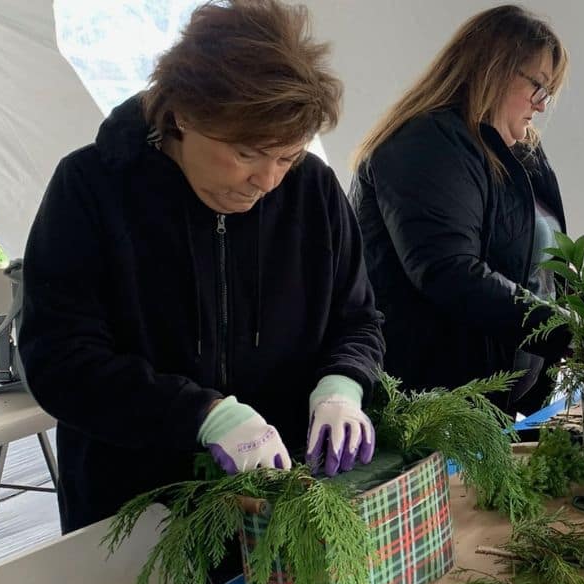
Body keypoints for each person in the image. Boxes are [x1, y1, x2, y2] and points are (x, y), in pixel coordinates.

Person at [19, 0, 384, 535]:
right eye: (247, 152)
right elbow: (59, 361)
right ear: (184, 114)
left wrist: (344, 382)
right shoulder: (91, 189)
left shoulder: (314, 191)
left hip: (281, 504)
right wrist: (200, 414)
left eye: (287, 156)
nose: (268, 181)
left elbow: (358, 319)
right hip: (137, 508)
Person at [349, 4, 571, 417]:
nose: (542, 105)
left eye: (548, 93)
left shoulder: (523, 153)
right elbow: (449, 271)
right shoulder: (425, 144)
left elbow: (548, 263)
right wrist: (566, 333)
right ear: (495, 69)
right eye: (538, 87)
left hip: (494, 403)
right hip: (433, 403)